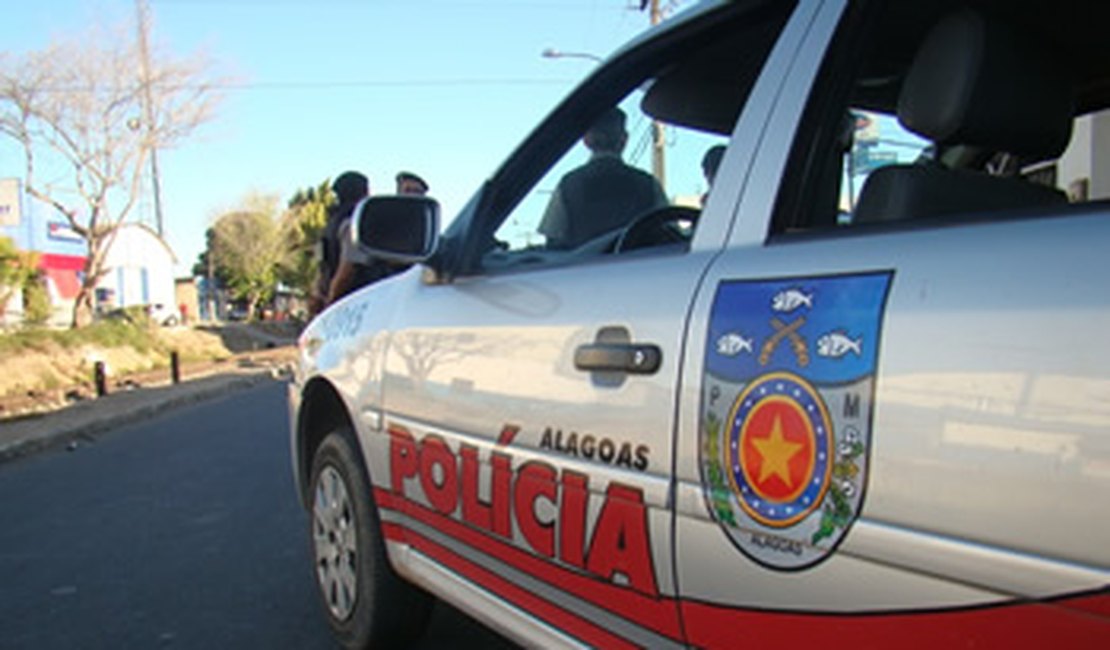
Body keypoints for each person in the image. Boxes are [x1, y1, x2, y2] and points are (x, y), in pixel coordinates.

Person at [538, 107, 668, 250]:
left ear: (586, 141)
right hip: (643, 270)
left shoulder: (569, 185)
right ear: (624, 139)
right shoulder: (648, 185)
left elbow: (553, 241)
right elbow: (668, 232)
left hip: (585, 270)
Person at [310, 171, 368, 316]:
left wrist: (318, 294)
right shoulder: (353, 224)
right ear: (364, 193)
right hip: (350, 304)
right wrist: (331, 301)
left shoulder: (331, 225)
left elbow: (321, 267)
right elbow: (347, 269)